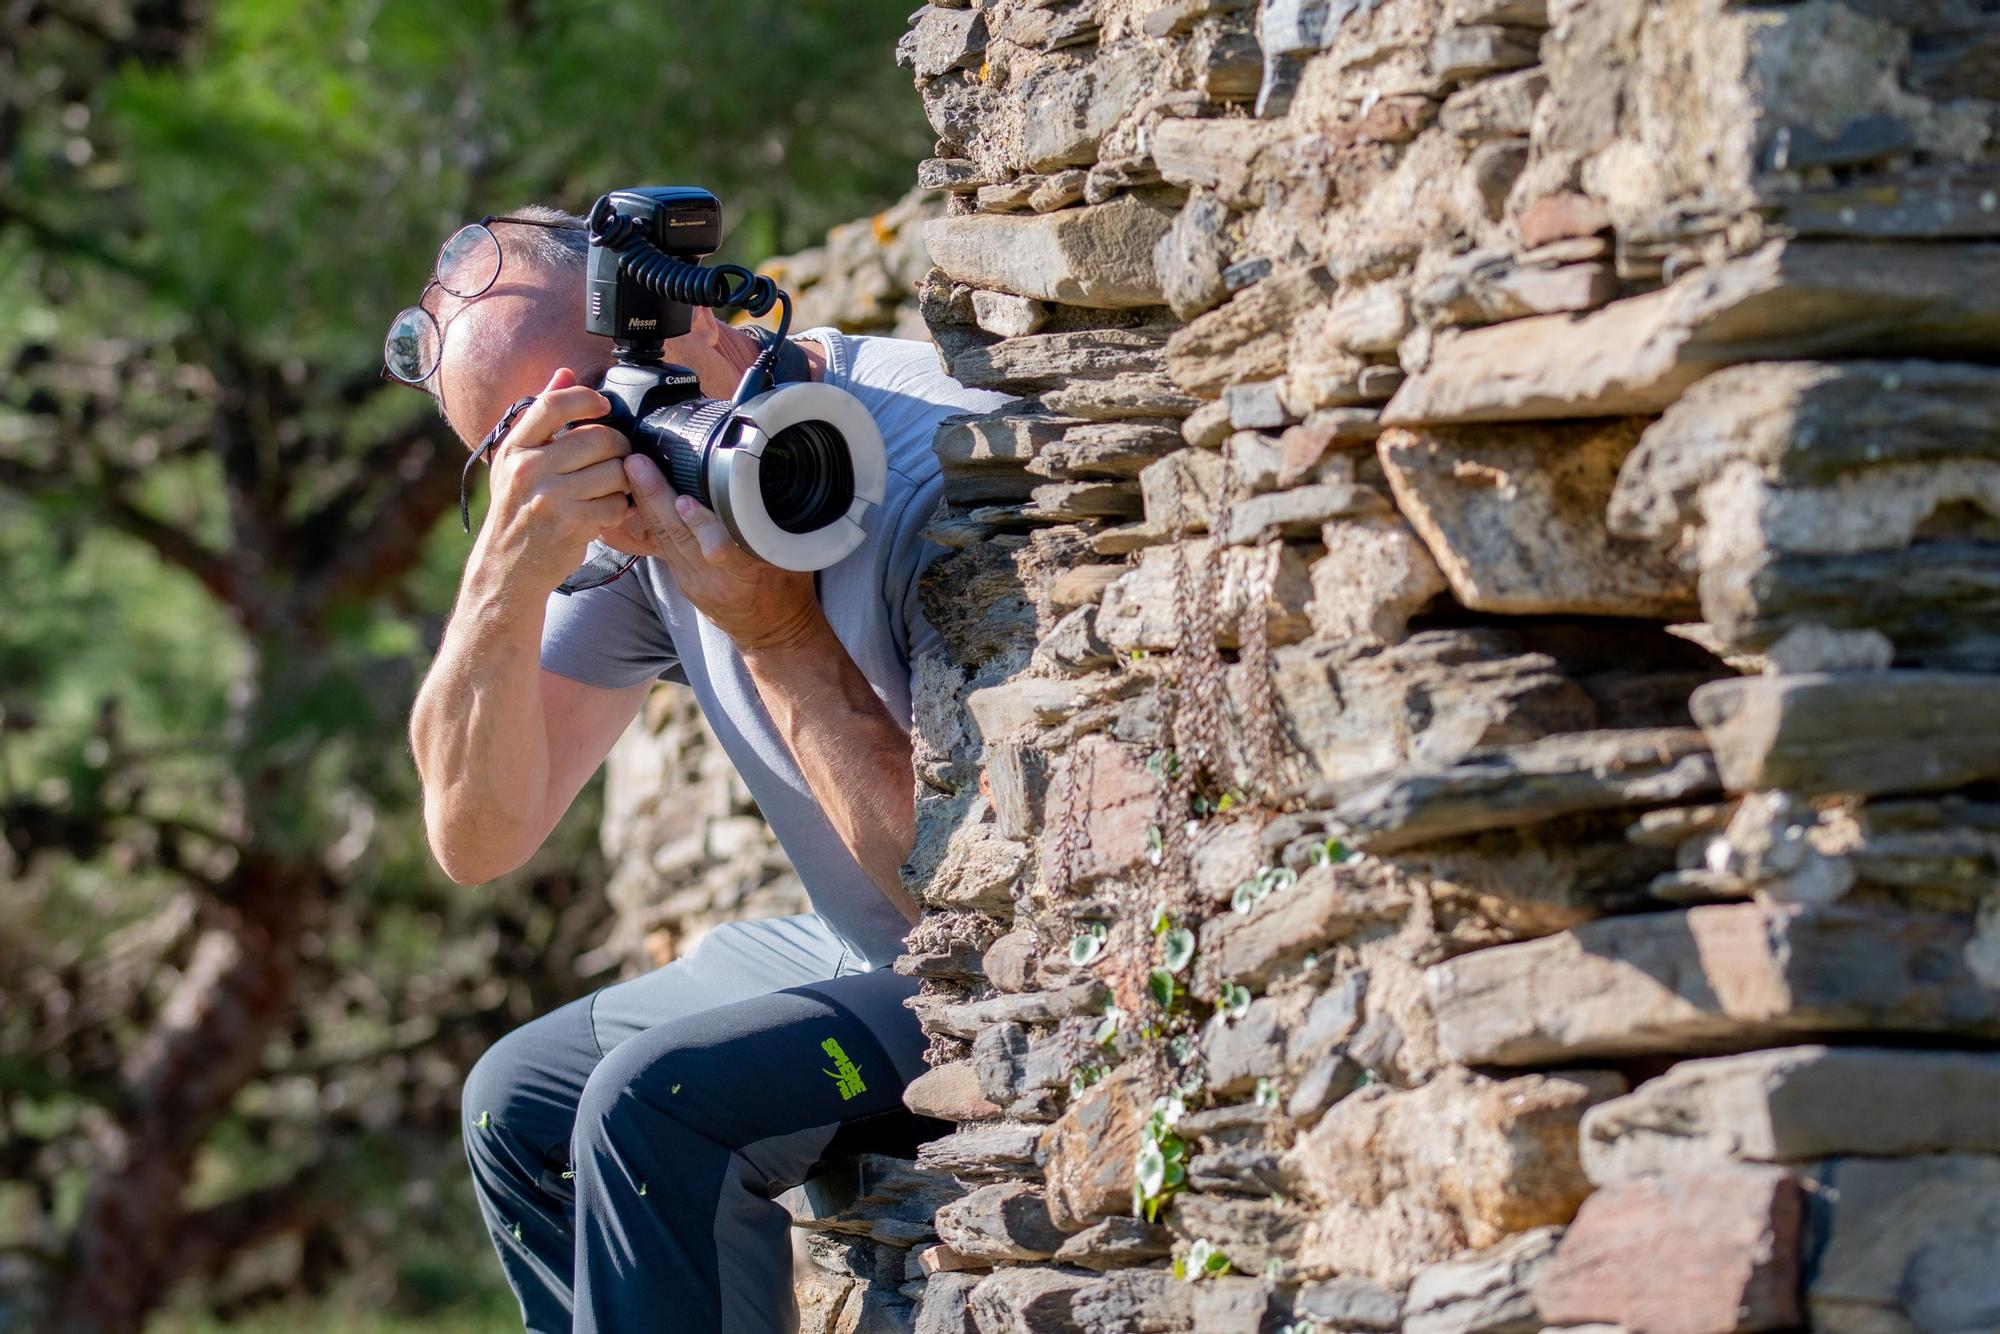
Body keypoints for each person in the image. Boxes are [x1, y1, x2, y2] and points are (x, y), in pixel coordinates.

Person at [397, 207, 1011, 1332]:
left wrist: (779, 636)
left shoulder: (931, 464)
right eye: (530, 446)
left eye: (601, 394)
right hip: (857, 937)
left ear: (693, 313)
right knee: (515, 1102)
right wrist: (502, 577)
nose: (602, 449)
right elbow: (476, 838)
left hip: (974, 963)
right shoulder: (631, 503)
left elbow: (971, 904)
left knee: (657, 1104)